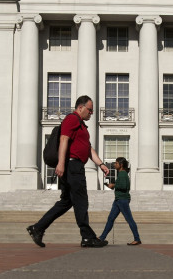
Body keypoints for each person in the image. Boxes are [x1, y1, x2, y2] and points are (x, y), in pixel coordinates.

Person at [27, 95, 110, 248]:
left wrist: (101, 164)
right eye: (90, 110)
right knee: (81, 201)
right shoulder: (72, 119)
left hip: (74, 166)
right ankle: (87, 237)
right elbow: (64, 139)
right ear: (80, 107)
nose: (91, 113)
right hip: (72, 166)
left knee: (66, 201)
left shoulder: (82, 126)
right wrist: (61, 163)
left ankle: (38, 228)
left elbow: (89, 149)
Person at [99, 157, 141, 245]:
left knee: (129, 219)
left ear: (121, 165)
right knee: (110, 219)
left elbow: (124, 186)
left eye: (116, 163)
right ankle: (102, 238)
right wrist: (113, 185)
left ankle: (137, 239)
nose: (114, 164)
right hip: (118, 200)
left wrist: (113, 185)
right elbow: (122, 185)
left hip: (122, 200)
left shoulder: (122, 174)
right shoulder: (122, 173)